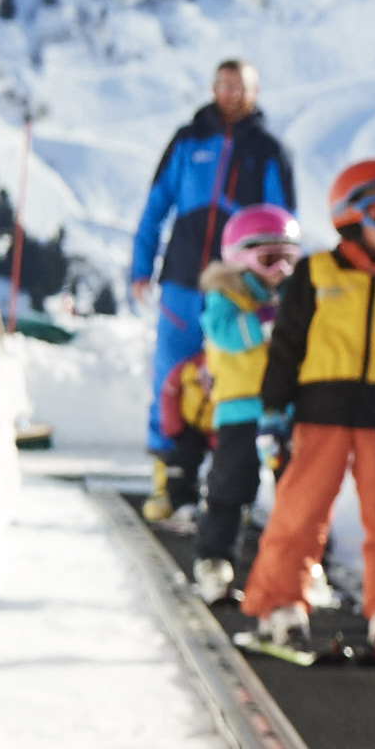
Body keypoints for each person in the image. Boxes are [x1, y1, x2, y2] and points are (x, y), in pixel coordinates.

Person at [232, 158, 375, 666]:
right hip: (321, 414)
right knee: (300, 511)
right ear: (349, 216)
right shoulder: (317, 273)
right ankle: (282, 607)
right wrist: (273, 411)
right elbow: (286, 346)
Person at [125, 59, 299, 492]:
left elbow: (283, 222)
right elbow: (156, 205)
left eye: (241, 87)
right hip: (183, 278)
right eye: (224, 85)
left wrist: (282, 282)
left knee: (236, 372)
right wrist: (141, 265)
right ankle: (170, 473)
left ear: (255, 92)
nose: (232, 94)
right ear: (213, 88)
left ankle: (233, 476)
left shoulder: (268, 150)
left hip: (242, 286)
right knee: (172, 373)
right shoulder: (188, 141)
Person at [186, 202, 299, 590]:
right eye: (270, 259)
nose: (281, 271)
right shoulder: (225, 297)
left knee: (298, 486)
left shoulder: (293, 298)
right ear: (240, 259)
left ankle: (303, 561)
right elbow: (225, 336)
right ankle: (214, 557)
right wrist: (268, 320)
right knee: (230, 487)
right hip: (239, 411)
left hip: (283, 411)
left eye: (288, 259)